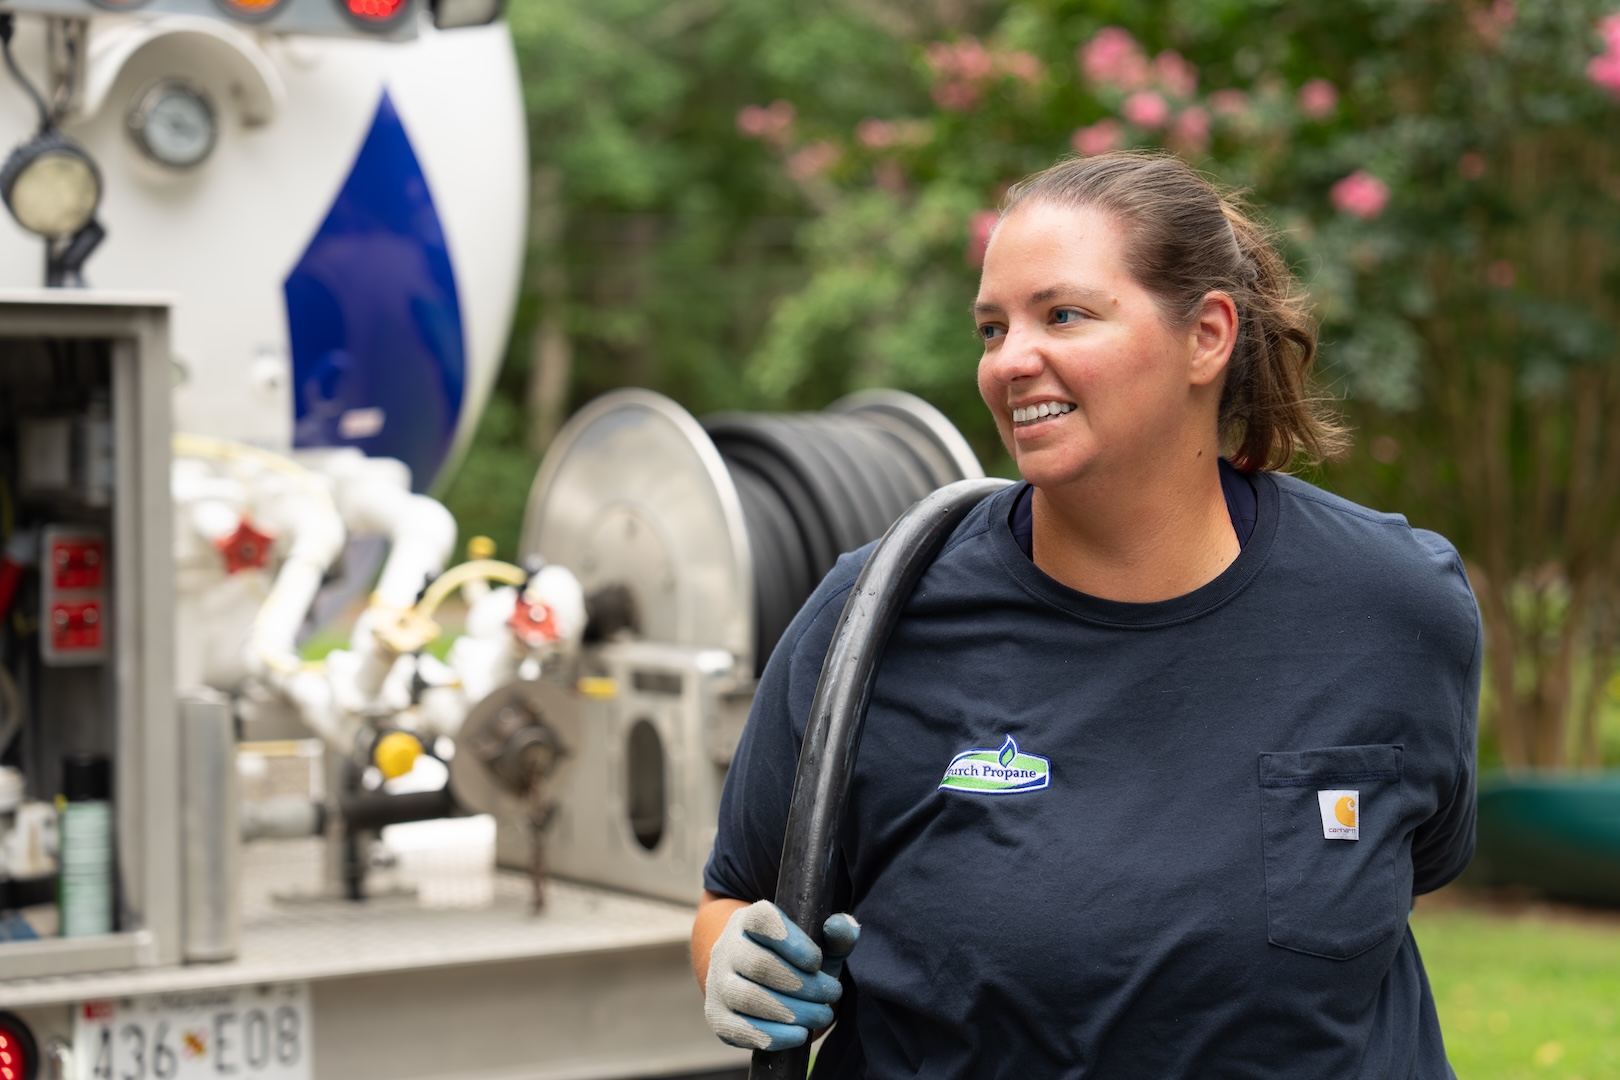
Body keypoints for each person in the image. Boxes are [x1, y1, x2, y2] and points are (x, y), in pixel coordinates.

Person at [691, 150, 1480, 1078]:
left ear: (1207, 336)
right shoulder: (874, 617)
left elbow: (1420, 857)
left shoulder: (1395, 606)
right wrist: (733, 960)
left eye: (1062, 314)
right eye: (992, 328)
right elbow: (736, 896)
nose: (1010, 361)